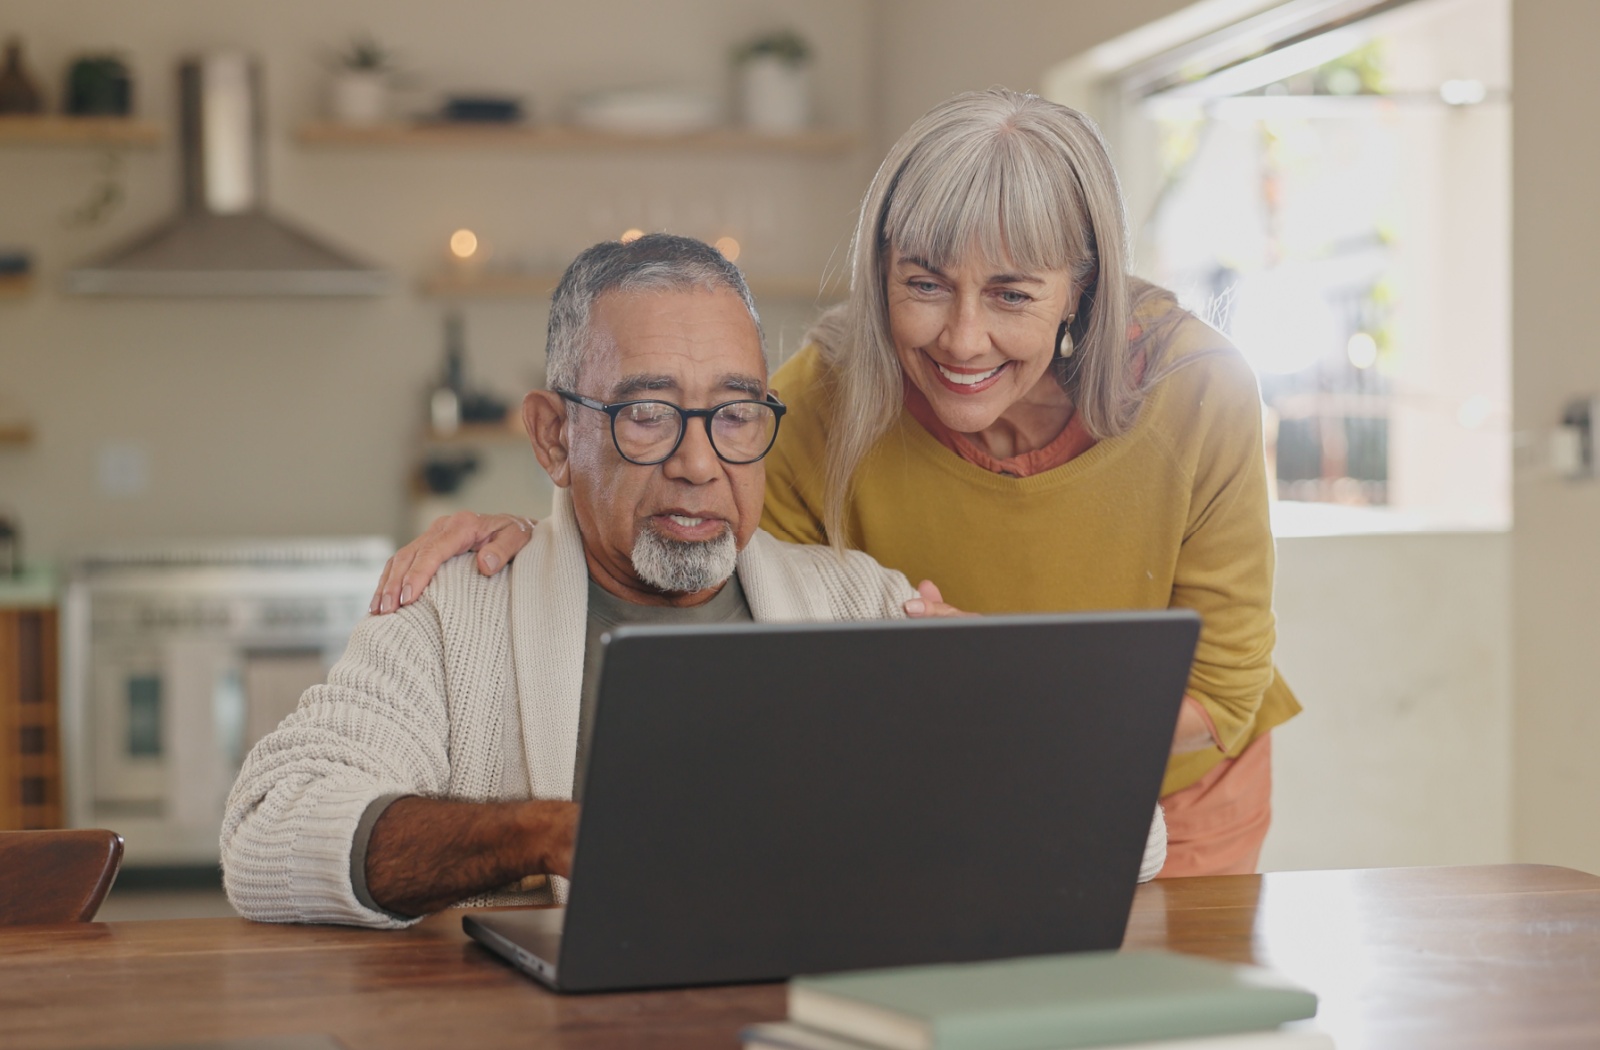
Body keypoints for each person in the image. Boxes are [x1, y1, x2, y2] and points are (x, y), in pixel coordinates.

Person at [370, 89, 1298, 879]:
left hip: (1177, 788)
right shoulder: (820, 400)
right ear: (881, 269)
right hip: (958, 778)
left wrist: (1019, 689)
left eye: (1013, 295)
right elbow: (687, 531)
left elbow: (1223, 685)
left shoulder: (1199, 393)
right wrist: (552, 525)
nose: (962, 340)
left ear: (1081, 291)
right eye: (924, 285)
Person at [222, 233, 1170, 928]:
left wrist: (1006, 717)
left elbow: (1141, 840)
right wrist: (549, 834)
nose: (699, 463)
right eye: (645, 416)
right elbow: (267, 836)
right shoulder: (454, 609)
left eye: (735, 414)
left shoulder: (862, 606)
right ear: (556, 436)